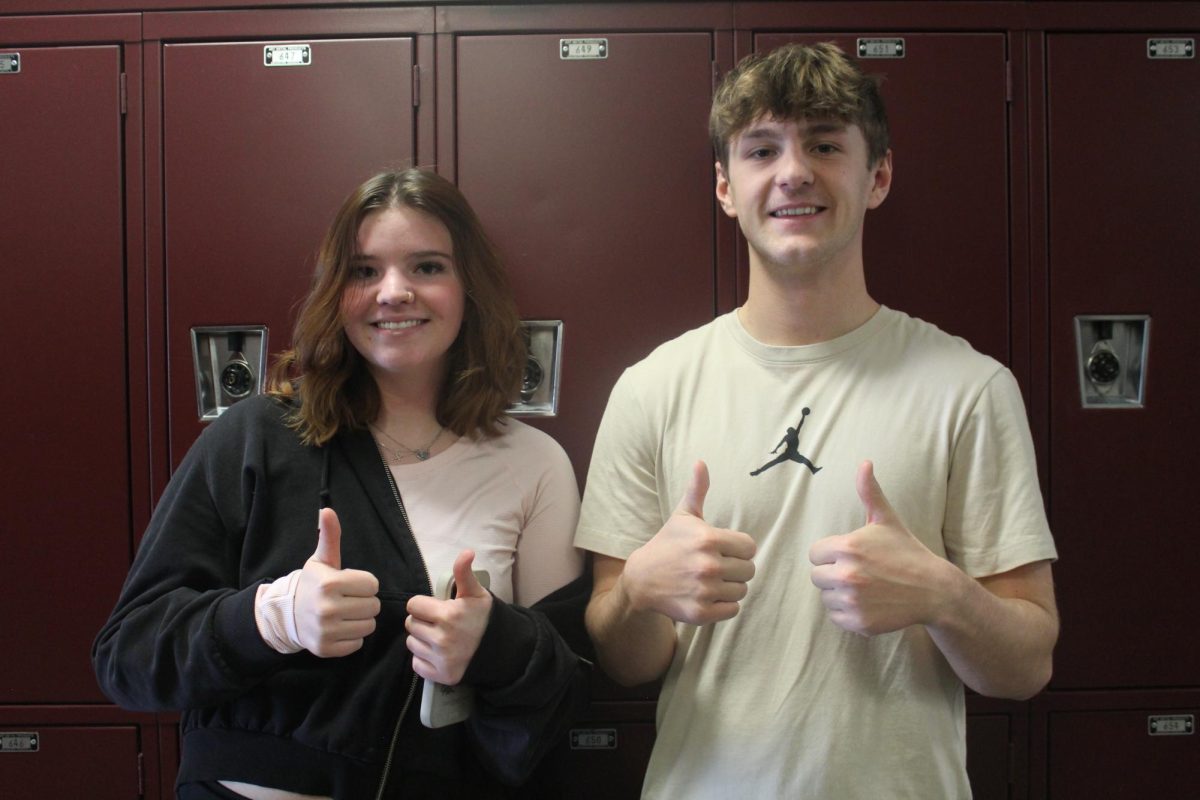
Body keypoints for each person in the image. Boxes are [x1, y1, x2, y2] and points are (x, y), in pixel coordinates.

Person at [575, 42, 1059, 798]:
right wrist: (638, 591)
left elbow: (1028, 667)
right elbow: (625, 658)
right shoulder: (650, 389)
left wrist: (942, 595)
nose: (793, 171)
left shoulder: (970, 387)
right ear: (726, 187)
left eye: (826, 145)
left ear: (879, 176)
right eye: (762, 149)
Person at [93, 169, 591, 799]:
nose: (394, 292)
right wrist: (270, 618)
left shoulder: (534, 463)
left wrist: (495, 644)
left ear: (471, 289)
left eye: (428, 267)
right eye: (363, 271)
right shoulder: (255, 436)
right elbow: (127, 657)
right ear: (336, 291)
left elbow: (569, 689)